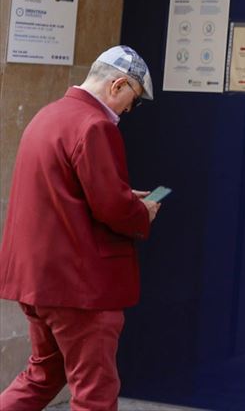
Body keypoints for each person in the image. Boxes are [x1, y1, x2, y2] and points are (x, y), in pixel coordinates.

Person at [0, 46, 161, 411]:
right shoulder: (95, 125)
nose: (128, 111)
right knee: (95, 394)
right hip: (80, 288)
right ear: (118, 85)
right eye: (132, 101)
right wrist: (141, 210)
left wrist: (121, 197)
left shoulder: (48, 115)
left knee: (41, 377)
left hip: (39, 282)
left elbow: (70, 192)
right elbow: (113, 208)